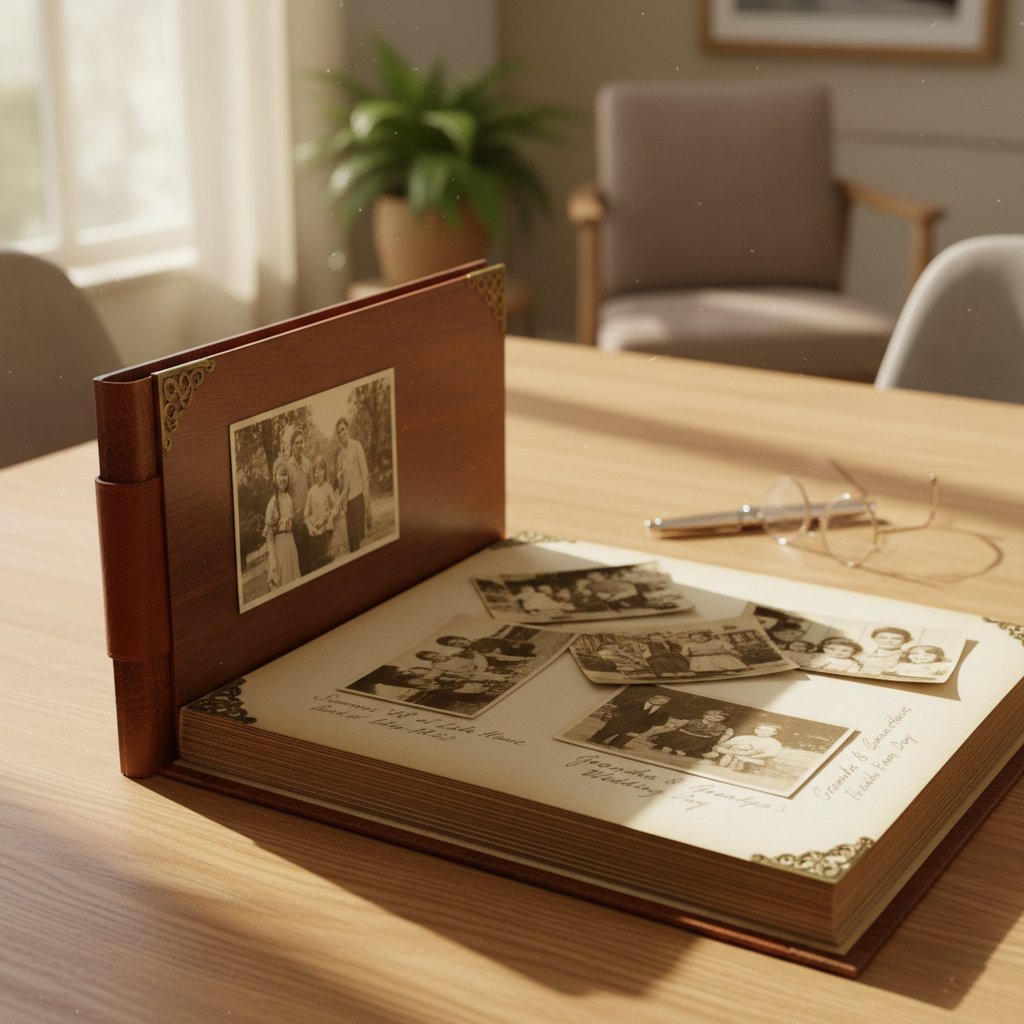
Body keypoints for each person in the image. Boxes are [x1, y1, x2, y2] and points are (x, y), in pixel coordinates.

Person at [334, 416, 372, 553]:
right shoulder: (340, 456)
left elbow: (364, 474)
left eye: (343, 430)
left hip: (358, 498)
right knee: (352, 545)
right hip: (348, 504)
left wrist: (367, 504)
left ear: (348, 429)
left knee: (359, 540)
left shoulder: (357, 446)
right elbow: (341, 484)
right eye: (338, 432)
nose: (341, 434)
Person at [264, 460, 301, 590]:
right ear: (275, 478)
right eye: (280, 475)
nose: (283, 479)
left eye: (285, 475)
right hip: (280, 547)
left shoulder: (288, 498)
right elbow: (269, 536)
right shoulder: (273, 503)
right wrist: (272, 560)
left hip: (291, 543)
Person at [588, 693, 673, 747]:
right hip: (619, 722)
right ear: (651, 698)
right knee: (602, 735)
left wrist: (647, 723)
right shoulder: (636, 702)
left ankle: (613, 745)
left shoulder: (664, 711)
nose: (655, 700)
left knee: (617, 744)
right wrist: (616, 719)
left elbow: (662, 722)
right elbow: (618, 710)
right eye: (654, 698)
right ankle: (594, 741)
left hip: (638, 727)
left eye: (660, 701)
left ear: (664, 703)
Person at [285, 428, 314, 575]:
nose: (299, 446)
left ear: (304, 444)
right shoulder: (288, 466)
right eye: (296, 443)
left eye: (301, 442)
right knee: (300, 560)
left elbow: (311, 489)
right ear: (292, 446)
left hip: (308, 517)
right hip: (296, 521)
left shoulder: (308, 464)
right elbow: (286, 494)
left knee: (311, 556)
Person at [647, 709, 733, 757]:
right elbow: (681, 726)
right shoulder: (695, 721)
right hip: (683, 735)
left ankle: (681, 752)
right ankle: (665, 746)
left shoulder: (721, 727)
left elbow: (715, 734)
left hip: (701, 739)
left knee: (696, 745)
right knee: (675, 738)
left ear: (722, 719)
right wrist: (680, 725)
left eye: (718, 718)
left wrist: (708, 730)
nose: (713, 718)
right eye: (710, 715)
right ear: (705, 715)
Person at [303, 455, 338, 571]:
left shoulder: (328, 488)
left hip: (326, 533)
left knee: (328, 563)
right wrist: (309, 527)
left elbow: (335, 507)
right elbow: (306, 515)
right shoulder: (311, 492)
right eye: (316, 472)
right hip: (314, 534)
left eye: (320, 471)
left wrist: (330, 519)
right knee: (317, 566)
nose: (318, 475)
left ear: (325, 472)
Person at [714, 724, 783, 772]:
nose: (763, 732)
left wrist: (753, 755)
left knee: (740, 759)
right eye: (760, 729)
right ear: (755, 730)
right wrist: (733, 750)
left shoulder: (774, 742)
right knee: (730, 755)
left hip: (753, 757)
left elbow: (771, 753)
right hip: (733, 753)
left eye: (768, 731)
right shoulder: (744, 737)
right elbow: (724, 745)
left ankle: (735, 769)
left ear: (775, 732)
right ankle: (723, 766)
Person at [681, 631, 746, 674]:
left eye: (701, 638)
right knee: (704, 669)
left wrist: (734, 652)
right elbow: (685, 653)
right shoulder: (689, 645)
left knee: (728, 665)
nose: (698, 640)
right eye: (694, 638)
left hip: (720, 657)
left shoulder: (718, 642)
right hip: (700, 659)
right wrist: (686, 655)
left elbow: (729, 648)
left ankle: (731, 669)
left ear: (707, 637)